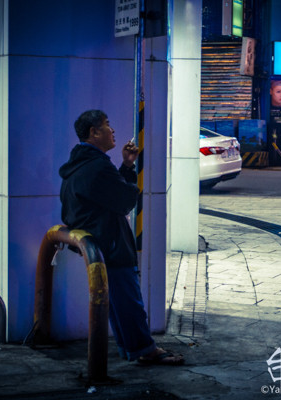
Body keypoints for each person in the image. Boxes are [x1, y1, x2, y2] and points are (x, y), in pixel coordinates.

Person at [59, 110, 184, 365]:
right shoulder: (96, 166)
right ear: (94, 132)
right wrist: (129, 180)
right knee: (128, 300)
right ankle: (145, 350)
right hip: (110, 243)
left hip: (98, 243)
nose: (112, 130)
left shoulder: (80, 163)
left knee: (117, 302)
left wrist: (126, 165)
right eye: (107, 125)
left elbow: (110, 194)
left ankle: (135, 349)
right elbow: (125, 199)